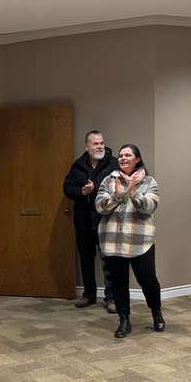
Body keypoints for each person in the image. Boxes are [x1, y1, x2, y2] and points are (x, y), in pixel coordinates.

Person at [95, 144, 164, 338]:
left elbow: (148, 207)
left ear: (137, 159)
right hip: (113, 241)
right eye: (121, 155)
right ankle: (124, 320)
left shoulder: (149, 182)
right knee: (118, 283)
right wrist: (117, 195)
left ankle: (156, 312)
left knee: (148, 281)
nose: (123, 158)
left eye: (128, 155)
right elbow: (100, 206)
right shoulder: (109, 180)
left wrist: (133, 191)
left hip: (140, 243)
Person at [63, 130, 119, 312]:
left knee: (109, 260)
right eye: (95, 144)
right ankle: (89, 295)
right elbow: (67, 188)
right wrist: (82, 192)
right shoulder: (77, 166)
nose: (100, 146)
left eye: (102, 143)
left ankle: (111, 298)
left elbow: (120, 188)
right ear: (87, 146)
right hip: (84, 222)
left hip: (106, 221)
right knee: (86, 260)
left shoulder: (113, 164)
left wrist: (97, 191)